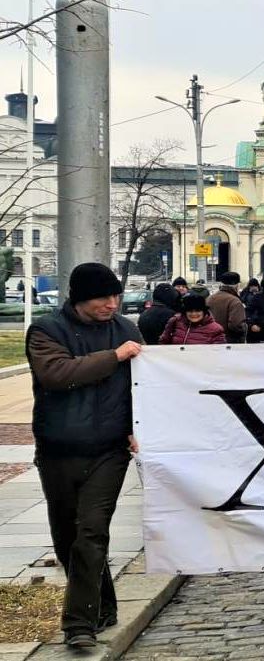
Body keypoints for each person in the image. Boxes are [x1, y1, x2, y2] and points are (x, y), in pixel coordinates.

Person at [26, 263, 142, 649]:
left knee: (91, 531)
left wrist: (138, 427)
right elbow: (57, 374)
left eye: (116, 296)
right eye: (102, 298)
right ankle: (103, 605)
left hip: (109, 449)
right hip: (58, 449)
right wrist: (114, 356)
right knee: (67, 538)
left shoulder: (127, 330)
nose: (112, 304)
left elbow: (141, 385)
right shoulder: (46, 330)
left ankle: (79, 624)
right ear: (79, 298)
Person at [159, 293, 227, 346]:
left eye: (198, 311)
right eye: (190, 311)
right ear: (185, 312)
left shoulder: (215, 329)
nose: (194, 314)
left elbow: (219, 352)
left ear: (204, 311)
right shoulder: (175, 322)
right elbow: (163, 342)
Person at [207, 272, 247, 343]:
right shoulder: (235, 301)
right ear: (237, 285)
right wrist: (245, 327)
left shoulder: (209, 298)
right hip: (229, 342)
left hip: (209, 339)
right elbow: (236, 325)